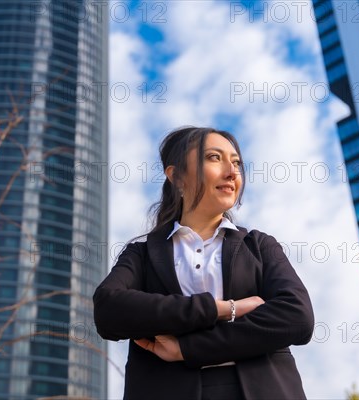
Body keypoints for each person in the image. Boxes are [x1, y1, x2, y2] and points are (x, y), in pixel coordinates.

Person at [93, 126, 314, 400]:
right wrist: (221, 308)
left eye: (236, 163)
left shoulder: (259, 245)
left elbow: (297, 318)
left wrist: (187, 348)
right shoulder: (142, 254)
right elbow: (108, 311)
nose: (232, 172)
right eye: (214, 157)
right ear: (177, 177)